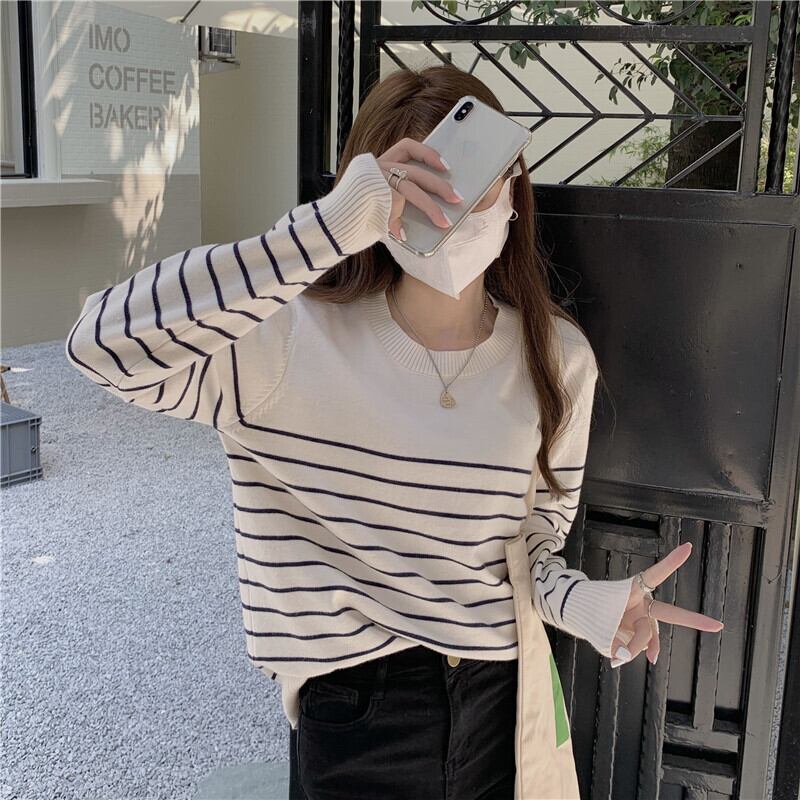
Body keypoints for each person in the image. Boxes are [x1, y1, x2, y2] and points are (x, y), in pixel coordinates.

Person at [65, 64, 724, 800]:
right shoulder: (285, 339)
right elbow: (98, 348)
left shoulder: (557, 357)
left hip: (501, 701)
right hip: (358, 710)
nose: (452, 207)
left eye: (473, 178)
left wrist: (585, 604)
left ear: (512, 188)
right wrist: (324, 230)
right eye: (416, 185)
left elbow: (529, 544)